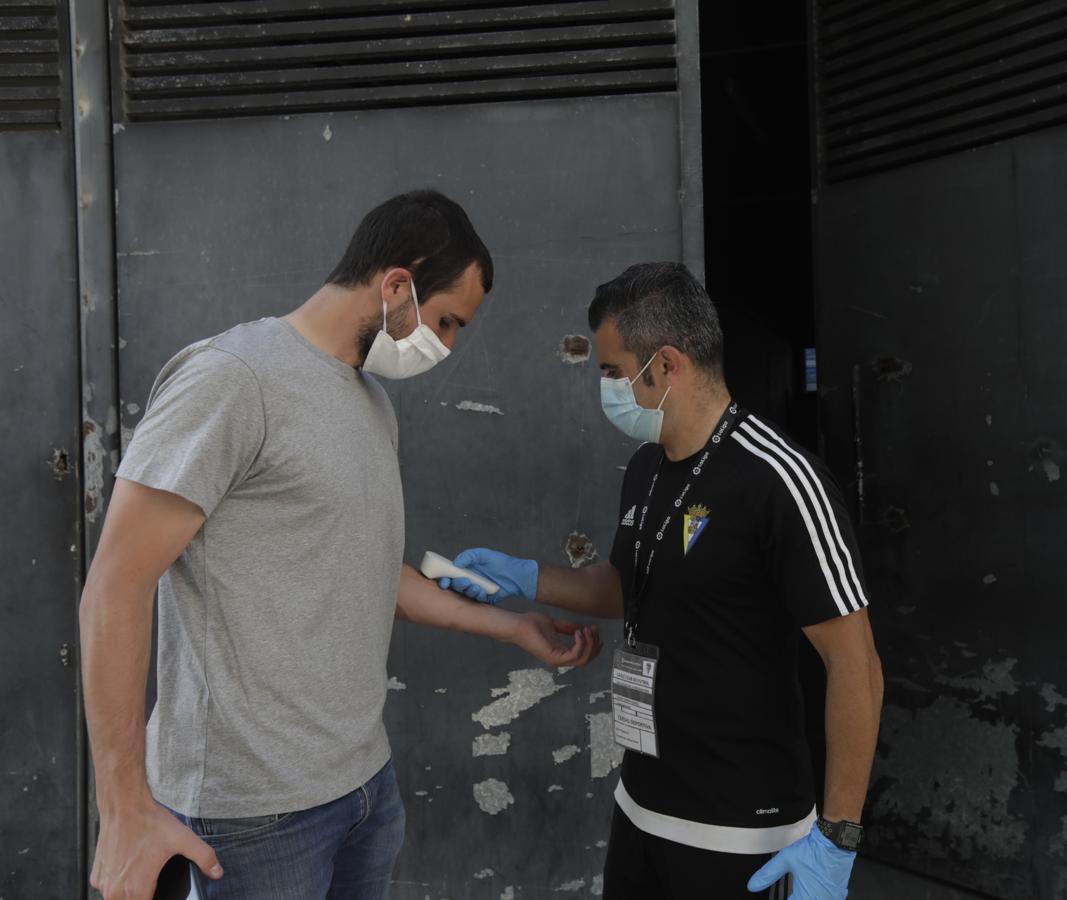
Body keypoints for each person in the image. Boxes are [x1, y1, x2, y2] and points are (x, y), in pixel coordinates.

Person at [79, 189, 602, 900]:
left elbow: (372, 573)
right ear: (396, 284)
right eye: (446, 321)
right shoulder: (233, 379)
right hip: (251, 816)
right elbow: (116, 583)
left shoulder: (370, 405)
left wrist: (514, 627)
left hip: (362, 791)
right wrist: (122, 808)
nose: (447, 347)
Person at [440, 262, 884, 899]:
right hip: (643, 803)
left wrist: (838, 839)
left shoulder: (779, 482)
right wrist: (526, 578)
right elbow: (630, 585)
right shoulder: (648, 467)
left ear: (668, 365)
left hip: (742, 832)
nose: (607, 386)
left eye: (614, 371)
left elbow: (857, 666)